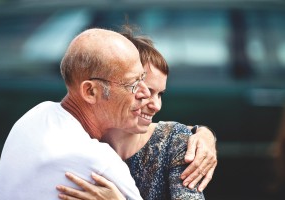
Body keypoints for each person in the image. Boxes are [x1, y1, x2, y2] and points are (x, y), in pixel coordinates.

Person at [55, 27, 217, 200]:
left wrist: (205, 133)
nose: (156, 105)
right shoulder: (78, 140)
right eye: (143, 89)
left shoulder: (174, 143)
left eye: (160, 94)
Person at [0, 28, 150, 200]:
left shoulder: (34, 116)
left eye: (143, 77)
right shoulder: (98, 162)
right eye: (132, 84)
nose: (146, 92)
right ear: (90, 91)